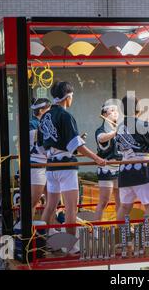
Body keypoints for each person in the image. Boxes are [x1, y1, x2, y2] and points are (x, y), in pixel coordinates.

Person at [37, 81, 106, 249]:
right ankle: (70, 246)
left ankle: (39, 243)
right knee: (70, 209)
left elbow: (40, 145)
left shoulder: (46, 115)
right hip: (66, 168)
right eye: (72, 96)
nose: (72, 99)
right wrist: (97, 158)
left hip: (51, 167)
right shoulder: (65, 116)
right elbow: (77, 145)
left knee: (50, 206)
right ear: (67, 97)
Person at [115, 95, 149, 222]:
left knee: (125, 207)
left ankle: (123, 240)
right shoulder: (143, 125)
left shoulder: (119, 127)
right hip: (142, 167)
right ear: (138, 108)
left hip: (124, 168)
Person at [94, 103, 121, 220]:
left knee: (121, 202)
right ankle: (95, 230)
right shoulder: (101, 130)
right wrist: (116, 132)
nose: (115, 113)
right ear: (104, 114)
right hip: (106, 168)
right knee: (104, 202)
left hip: (120, 168)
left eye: (116, 111)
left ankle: (122, 230)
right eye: (112, 110)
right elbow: (101, 138)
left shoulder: (118, 129)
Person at [30, 97, 52, 217]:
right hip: (37, 164)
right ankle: (28, 231)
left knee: (52, 201)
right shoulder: (32, 124)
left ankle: (50, 229)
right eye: (49, 109)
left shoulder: (43, 123)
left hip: (48, 164)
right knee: (33, 201)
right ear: (42, 110)